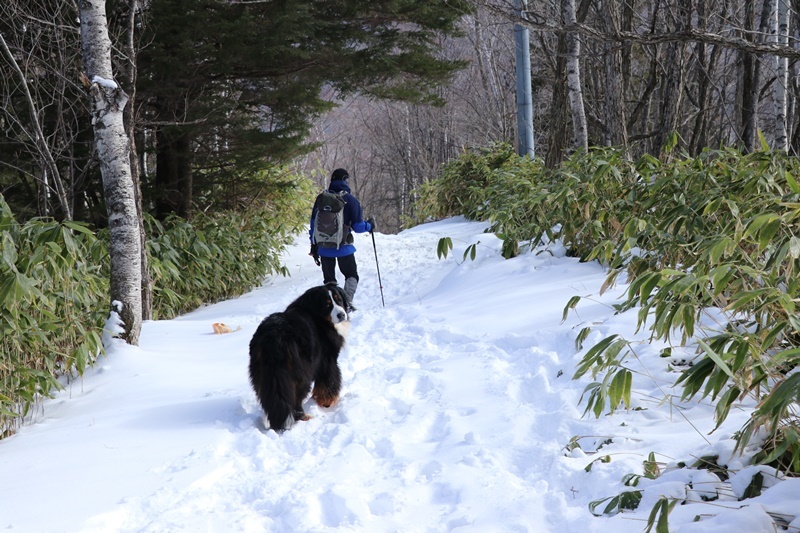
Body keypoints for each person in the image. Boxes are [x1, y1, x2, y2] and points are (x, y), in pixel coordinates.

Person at [309, 168, 375, 312]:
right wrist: (369, 225)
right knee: (351, 275)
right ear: (345, 180)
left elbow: (313, 223)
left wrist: (313, 246)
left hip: (324, 247)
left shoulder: (321, 199)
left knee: (329, 281)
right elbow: (358, 226)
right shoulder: (350, 200)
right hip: (344, 247)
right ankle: (346, 303)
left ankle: (332, 307)